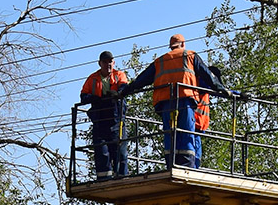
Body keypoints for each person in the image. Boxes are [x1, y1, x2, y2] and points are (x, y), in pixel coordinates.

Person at [120, 34, 229, 169]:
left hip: (165, 102)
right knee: (186, 133)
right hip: (185, 100)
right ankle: (187, 166)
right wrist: (223, 89)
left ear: (171, 46)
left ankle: (171, 165)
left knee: (170, 134)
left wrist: (125, 91)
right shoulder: (190, 55)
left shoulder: (160, 61)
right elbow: (208, 76)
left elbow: (142, 79)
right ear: (183, 44)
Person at [79, 51, 129, 180]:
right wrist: (94, 98)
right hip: (100, 119)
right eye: (105, 62)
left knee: (119, 151)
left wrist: (116, 93)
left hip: (116, 118)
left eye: (110, 61)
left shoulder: (119, 75)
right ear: (100, 63)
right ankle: (103, 180)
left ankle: (121, 178)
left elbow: (124, 88)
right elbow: (83, 96)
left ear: (114, 62)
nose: (108, 64)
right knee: (102, 152)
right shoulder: (92, 78)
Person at [192, 65, 225, 169]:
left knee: (196, 155)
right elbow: (218, 91)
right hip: (193, 125)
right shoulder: (201, 83)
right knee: (193, 155)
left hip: (198, 127)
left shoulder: (203, 85)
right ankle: (192, 170)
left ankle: (194, 169)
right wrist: (234, 94)